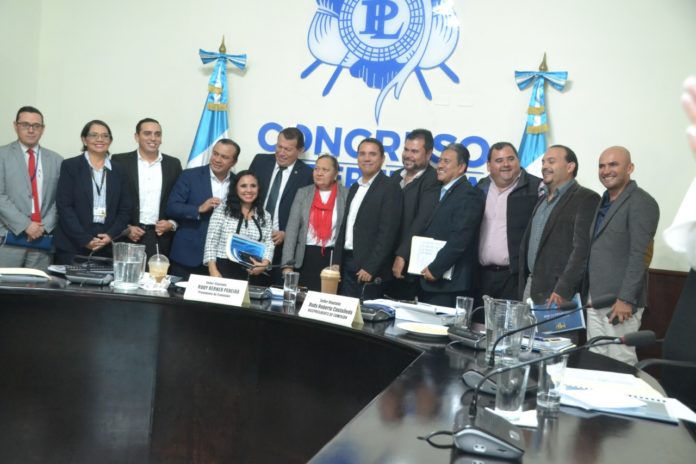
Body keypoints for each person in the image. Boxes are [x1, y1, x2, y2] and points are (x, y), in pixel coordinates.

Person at [586, 146, 659, 364]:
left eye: (613, 164)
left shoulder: (641, 202)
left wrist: (626, 299)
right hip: (596, 298)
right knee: (595, 358)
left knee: (620, 360)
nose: (606, 170)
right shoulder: (604, 201)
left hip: (620, 301)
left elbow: (640, 255)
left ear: (630, 168)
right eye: (601, 166)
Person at [519, 145, 600, 305]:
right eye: (543, 162)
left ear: (570, 167)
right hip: (530, 286)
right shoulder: (542, 199)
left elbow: (582, 251)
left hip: (558, 294)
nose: (544, 166)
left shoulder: (586, 198)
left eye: (551, 161)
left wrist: (563, 289)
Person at [474, 142, 541, 315]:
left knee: (510, 328)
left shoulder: (536, 188)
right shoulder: (480, 188)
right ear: (489, 166)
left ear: (518, 161)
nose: (506, 164)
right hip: (480, 276)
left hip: (514, 278)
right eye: (499, 160)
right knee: (478, 325)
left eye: (511, 159)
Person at [54, 120, 132, 264]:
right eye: (94, 135)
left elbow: (125, 209)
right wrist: (84, 239)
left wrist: (110, 235)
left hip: (107, 245)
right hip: (72, 245)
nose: (100, 139)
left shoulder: (120, 170)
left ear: (110, 141)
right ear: (84, 139)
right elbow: (64, 207)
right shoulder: (70, 166)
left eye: (105, 136)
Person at [334, 138, 402, 299]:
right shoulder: (354, 187)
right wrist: (336, 261)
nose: (366, 158)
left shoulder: (390, 187)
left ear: (382, 159)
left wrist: (371, 267)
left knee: (364, 314)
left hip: (369, 269)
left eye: (372, 154)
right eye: (362, 154)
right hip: (346, 263)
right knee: (345, 312)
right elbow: (345, 226)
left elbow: (388, 233)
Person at [418, 143, 485, 307]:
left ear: (461, 167)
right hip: (427, 279)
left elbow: (460, 238)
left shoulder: (469, 195)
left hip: (449, 284)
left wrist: (436, 268)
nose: (439, 165)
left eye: (446, 161)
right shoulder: (437, 191)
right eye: (440, 160)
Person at [166, 139, 240, 279]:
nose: (217, 160)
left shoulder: (238, 183)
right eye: (215, 154)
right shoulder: (189, 176)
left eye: (224, 157)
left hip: (222, 260)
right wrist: (198, 209)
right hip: (188, 256)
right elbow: (172, 207)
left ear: (234, 162)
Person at [0, 106, 63, 270]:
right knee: (7, 285)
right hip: (8, 238)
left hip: (42, 239)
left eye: (36, 126)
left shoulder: (57, 160)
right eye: (25, 125)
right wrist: (26, 225)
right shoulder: (2, 155)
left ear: (43, 129)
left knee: (39, 284)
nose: (31, 130)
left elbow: (61, 199)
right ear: (15, 126)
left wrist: (45, 226)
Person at [249, 127, 313, 284]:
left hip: (281, 247)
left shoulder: (307, 175)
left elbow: (307, 215)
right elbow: (245, 195)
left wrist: (287, 234)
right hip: (252, 241)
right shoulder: (260, 161)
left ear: (300, 151)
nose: (281, 153)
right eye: (279, 147)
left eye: (288, 149)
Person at [112, 118, 182, 258]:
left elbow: (180, 199)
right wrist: (126, 228)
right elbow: (112, 199)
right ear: (136, 137)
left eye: (157, 134)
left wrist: (172, 223)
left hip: (161, 238)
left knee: (157, 272)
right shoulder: (120, 161)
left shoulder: (173, 164)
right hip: (127, 236)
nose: (153, 138)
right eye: (147, 133)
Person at [281, 154, 348, 291]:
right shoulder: (303, 193)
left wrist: (339, 263)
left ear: (335, 173)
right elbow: (292, 230)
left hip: (331, 259)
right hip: (304, 257)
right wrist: (287, 265)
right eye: (316, 169)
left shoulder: (346, 194)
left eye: (325, 170)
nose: (319, 173)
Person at [388, 128, 439, 300]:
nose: (408, 155)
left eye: (415, 151)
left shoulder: (433, 180)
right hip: (386, 260)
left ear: (428, 154)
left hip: (408, 265)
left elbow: (422, 221)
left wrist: (402, 254)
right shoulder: (396, 176)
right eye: (406, 149)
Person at [204, 170, 274, 283]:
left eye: (253, 186)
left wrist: (264, 264)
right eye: (243, 186)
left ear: (258, 189)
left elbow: (269, 243)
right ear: (235, 189)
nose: (249, 190)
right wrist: (213, 270)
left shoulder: (265, 215)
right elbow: (211, 242)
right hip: (223, 269)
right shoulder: (222, 211)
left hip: (254, 272)